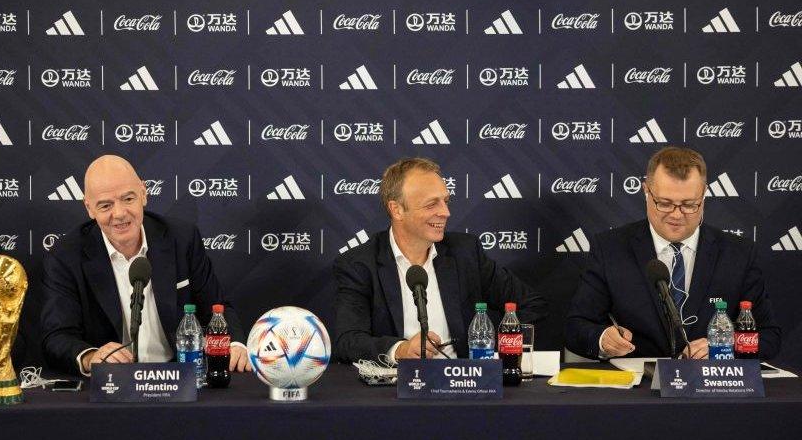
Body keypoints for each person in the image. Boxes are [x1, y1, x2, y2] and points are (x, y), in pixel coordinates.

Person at [40, 155, 251, 376]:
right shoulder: (65, 256)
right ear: (89, 208)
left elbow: (217, 308)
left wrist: (236, 344)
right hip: (112, 384)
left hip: (178, 376)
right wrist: (91, 357)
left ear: (143, 194)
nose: (119, 213)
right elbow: (56, 336)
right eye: (105, 205)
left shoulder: (182, 239)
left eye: (128, 199)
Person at [565, 147, 780, 360]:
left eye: (689, 205)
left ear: (703, 195)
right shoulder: (610, 248)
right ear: (646, 191)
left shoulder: (738, 254)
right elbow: (576, 327)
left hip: (713, 387)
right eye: (665, 204)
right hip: (638, 389)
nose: (676, 215)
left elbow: (769, 336)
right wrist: (604, 338)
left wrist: (725, 347)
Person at [333, 157, 548, 363]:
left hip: (466, 386)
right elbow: (349, 341)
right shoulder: (359, 264)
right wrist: (401, 350)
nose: (445, 212)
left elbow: (532, 304)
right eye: (431, 204)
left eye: (446, 201)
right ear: (396, 209)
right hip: (395, 390)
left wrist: (487, 340)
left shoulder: (466, 253)